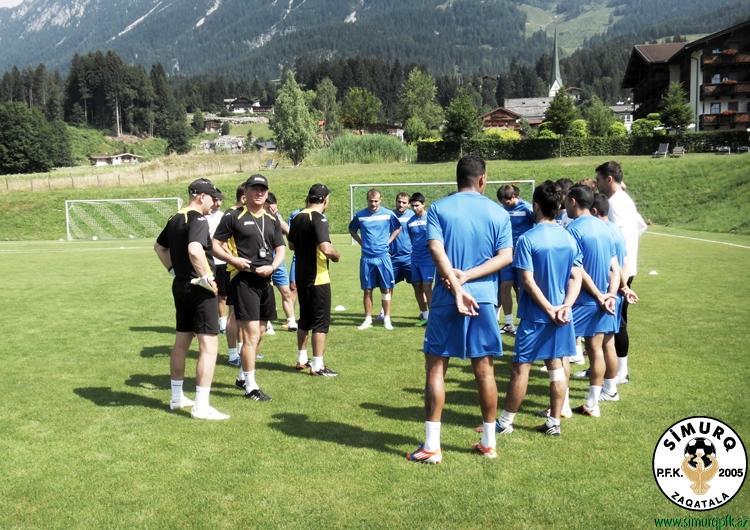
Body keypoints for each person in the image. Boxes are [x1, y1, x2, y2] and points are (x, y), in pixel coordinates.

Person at [406, 156, 512, 464]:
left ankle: (432, 446)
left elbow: (436, 249)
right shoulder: (498, 211)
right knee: (485, 370)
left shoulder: (439, 208)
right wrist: (468, 278)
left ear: (457, 179)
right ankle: (489, 443)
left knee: (436, 368)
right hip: (484, 300)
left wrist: (456, 283)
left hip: (446, 298)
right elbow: (505, 256)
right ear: (482, 179)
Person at [494, 181, 582, 436]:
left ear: (535, 205)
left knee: (521, 368)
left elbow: (527, 281)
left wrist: (549, 308)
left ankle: (505, 422)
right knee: (556, 367)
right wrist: (565, 306)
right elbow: (576, 276)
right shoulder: (568, 237)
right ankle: (554, 422)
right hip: (562, 315)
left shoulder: (527, 239)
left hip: (536, 316)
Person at [153, 178, 229, 421]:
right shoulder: (198, 219)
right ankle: (201, 406)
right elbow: (195, 250)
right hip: (199, 289)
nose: (214, 203)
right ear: (201, 196)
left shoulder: (175, 218)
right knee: (209, 346)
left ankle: (177, 398)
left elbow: (159, 247)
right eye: (212, 198)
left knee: (181, 342)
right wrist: (207, 278)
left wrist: (173, 270)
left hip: (181, 286)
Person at [212, 174, 285, 402]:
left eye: (263, 189)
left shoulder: (271, 219)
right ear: (246, 192)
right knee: (251, 335)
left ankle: (242, 376)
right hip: (244, 280)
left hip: (266, 280)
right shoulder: (233, 216)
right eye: (255, 188)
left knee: (260, 333)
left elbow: (280, 248)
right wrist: (233, 260)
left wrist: (273, 266)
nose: (259, 192)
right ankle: (251, 387)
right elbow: (215, 245)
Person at [565, 184, 620, 418]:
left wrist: (598, 294)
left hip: (581, 300)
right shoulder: (606, 228)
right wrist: (610, 295)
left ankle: (562, 406)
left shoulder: (572, 229)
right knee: (596, 349)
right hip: (603, 301)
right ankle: (592, 403)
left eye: (566, 200)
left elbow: (578, 270)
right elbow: (615, 269)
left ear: (573, 201)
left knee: (562, 353)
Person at [595, 161, 647, 384]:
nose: (596, 184)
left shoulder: (615, 204)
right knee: (609, 320)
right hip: (624, 268)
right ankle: (605, 368)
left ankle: (621, 372)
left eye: (598, 179)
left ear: (609, 179)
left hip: (619, 272)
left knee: (617, 321)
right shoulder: (624, 200)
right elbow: (642, 226)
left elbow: (618, 239)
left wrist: (621, 275)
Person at [587, 193, 639, 401]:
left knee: (597, 344)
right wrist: (623, 288)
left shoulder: (599, 232)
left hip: (601, 293)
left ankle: (602, 392)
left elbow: (612, 267)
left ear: (593, 211)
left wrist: (609, 291)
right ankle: (609, 388)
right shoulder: (616, 231)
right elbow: (621, 264)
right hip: (612, 292)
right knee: (607, 342)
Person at [287, 184, 341, 376]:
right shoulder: (319, 218)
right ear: (325, 200)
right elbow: (326, 248)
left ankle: (302, 358)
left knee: (305, 319)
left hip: (301, 277)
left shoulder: (297, 217)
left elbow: (291, 245)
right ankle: (318, 365)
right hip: (318, 278)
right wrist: (336, 255)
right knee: (320, 323)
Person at [348, 189, 401, 331]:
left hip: (383, 257)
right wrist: (361, 242)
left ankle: (387, 319)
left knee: (386, 288)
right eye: (371, 201)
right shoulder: (360, 215)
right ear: (367, 200)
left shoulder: (388, 214)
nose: (373, 204)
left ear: (380, 199)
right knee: (367, 289)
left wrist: (389, 241)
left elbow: (398, 228)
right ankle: (367, 319)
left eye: (376, 201)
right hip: (367, 258)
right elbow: (352, 230)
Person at [496, 184, 535, 335]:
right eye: (502, 201)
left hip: (522, 255)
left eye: (506, 200)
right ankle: (509, 323)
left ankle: (524, 321)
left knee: (521, 289)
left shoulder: (527, 208)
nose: (504, 203)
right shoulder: (501, 210)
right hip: (505, 254)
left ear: (514, 197)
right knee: (505, 286)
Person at [264, 192, 298, 334]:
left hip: (277, 259)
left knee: (286, 291)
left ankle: (291, 321)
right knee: (265, 293)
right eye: (269, 205)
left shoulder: (276, 217)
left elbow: (289, 231)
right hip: (262, 260)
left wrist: (277, 216)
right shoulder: (257, 218)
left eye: (273, 205)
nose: (271, 207)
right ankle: (267, 322)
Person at [405, 193, 434, 326]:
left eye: (417, 205)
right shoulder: (410, 222)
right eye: (412, 206)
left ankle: (434, 317)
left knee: (427, 287)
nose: (414, 208)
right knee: (417, 287)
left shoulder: (431, 219)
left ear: (423, 204)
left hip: (428, 259)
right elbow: (412, 240)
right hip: (415, 258)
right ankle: (425, 315)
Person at [205, 188, 228, 333]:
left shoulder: (223, 216)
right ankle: (209, 323)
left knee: (223, 295)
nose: (218, 203)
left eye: (220, 200)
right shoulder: (201, 216)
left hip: (222, 262)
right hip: (207, 263)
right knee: (209, 295)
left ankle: (223, 323)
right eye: (215, 200)